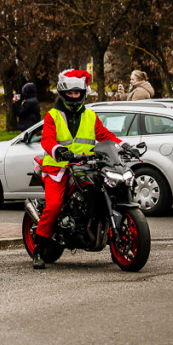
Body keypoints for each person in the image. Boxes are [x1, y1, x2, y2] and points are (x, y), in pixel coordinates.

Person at [33, 69, 121, 269]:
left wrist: (122, 145)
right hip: (58, 169)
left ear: (83, 93)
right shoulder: (52, 116)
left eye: (77, 93)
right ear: (63, 93)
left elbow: (104, 134)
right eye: (70, 93)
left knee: (102, 191)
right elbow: (47, 139)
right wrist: (58, 150)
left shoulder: (90, 116)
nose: (74, 96)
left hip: (86, 167)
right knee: (54, 205)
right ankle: (39, 249)